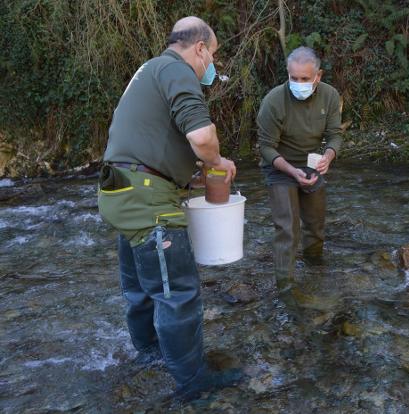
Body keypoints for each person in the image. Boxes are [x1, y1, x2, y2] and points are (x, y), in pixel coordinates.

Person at [97, 16, 240, 401]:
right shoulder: (178, 71)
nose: (212, 65)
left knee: (142, 291)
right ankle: (193, 383)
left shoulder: (149, 70)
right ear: (200, 49)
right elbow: (202, 135)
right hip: (147, 202)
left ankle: (149, 356)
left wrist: (186, 177)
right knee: (179, 295)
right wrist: (217, 164)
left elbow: (152, 142)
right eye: (213, 56)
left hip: (121, 192)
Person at [256, 46, 342, 294]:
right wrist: (292, 172)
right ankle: (286, 287)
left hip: (312, 164)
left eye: (305, 79)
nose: (299, 83)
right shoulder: (273, 101)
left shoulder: (330, 95)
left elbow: (335, 134)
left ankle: (315, 272)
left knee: (315, 225)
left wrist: (329, 155)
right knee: (287, 229)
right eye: (294, 78)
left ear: (318, 76)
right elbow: (266, 148)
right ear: (288, 73)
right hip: (280, 168)